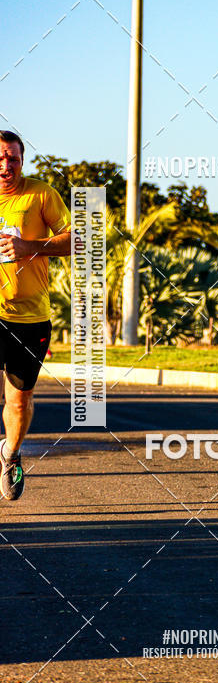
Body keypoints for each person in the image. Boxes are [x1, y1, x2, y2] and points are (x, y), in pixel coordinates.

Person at [0, 132, 72, 501]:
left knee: (19, 400)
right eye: (1, 158)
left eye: (13, 158)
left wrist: (31, 247)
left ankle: (11, 454)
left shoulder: (41, 194)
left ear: (22, 161)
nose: (6, 166)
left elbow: (77, 239)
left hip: (29, 317)